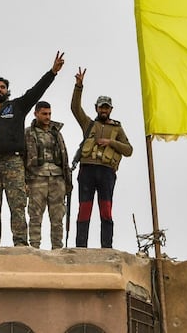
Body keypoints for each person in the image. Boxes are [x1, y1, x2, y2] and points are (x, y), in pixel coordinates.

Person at [0, 51, 65, 246]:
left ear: (7, 90)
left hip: (13, 161)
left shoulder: (17, 107)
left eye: (3, 87)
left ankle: (20, 244)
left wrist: (52, 72)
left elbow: (35, 92)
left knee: (18, 205)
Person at [70, 67, 133, 248]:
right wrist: (78, 86)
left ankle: (107, 247)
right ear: (96, 108)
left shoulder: (117, 129)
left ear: (111, 109)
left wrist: (111, 143)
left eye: (106, 107)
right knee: (84, 210)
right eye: (101, 107)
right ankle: (81, 247)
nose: (103, 110)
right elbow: (75, 108)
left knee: (106, 210)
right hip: (87, 170)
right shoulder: (89, 124)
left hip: (106, 172)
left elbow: (129, 150)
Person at [24, 101, 71, 249]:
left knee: (57, 217)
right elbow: (22, 158)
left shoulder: (56, 132)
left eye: (49, 113)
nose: (47, 117)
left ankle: (57, 249)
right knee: (35, 216)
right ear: (36, 113)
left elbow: (65, 156)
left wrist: (67, 180)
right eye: (44, 113)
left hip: (57, 178)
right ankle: (34, 249)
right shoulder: (28, 133)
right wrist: (24, 181)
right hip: (36, 178)